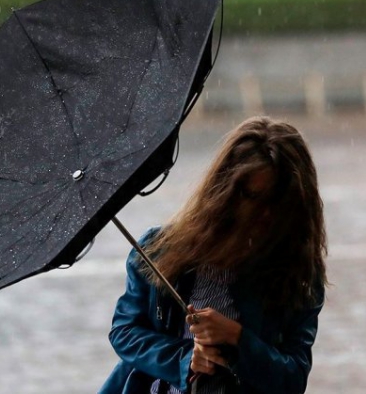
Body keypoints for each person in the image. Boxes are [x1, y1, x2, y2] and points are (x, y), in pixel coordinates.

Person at [100, 116, 328, 394]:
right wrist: (185, 360)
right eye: (252, 197)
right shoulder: (160, 249)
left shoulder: (298, 274)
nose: (264, 213)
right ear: (226, 190)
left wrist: (237, 338)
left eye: (276, 201)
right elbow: (125, 332)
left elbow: (292, 378)